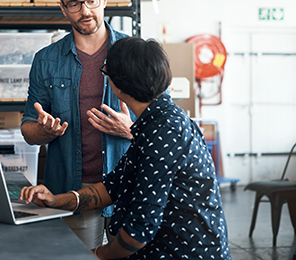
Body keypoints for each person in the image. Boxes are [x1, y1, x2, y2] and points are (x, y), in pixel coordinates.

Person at [19, 37, 232, 259]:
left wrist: (96, 254)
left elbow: (139, 230)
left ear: (118, 84)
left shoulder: (164, 132)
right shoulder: (153, 123)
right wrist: (56, 200)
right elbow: (113, 186)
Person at [21, 0, 135, 249]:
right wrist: (44, 131)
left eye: (92, 0)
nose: (85, 11)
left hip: (130, 189)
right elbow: (28, 130)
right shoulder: (46, 60)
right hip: (72, 190)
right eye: (74, 4)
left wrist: (131, 130)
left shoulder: (135, 53)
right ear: (63, 9)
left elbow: (168, 126)